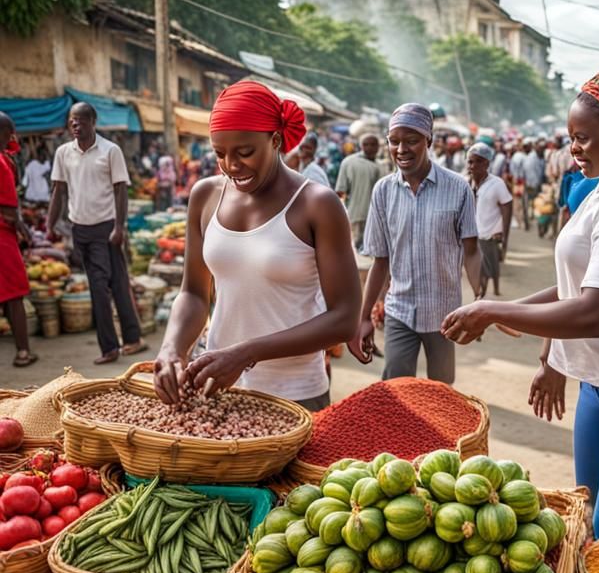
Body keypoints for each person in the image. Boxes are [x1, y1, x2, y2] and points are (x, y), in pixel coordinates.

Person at [441, 63, 599, 540]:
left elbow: (594, 312)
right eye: (570, 137)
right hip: (597, 385)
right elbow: (577, 284)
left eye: (583, 138)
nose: (573, 148)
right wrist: (521, 319)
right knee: (586, 517)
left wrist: (491, 310)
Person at [152, 80, 361, 410]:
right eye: (220, 154)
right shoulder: (206, 196)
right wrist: (172, 348)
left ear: (275, 140)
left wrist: (246, 353)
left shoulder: (317, 204)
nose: (231, 165)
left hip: (295, 393)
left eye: (245, 152)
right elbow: (194, 293)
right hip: (216, 387)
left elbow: (345, 318)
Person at [348, 103, 480, 383]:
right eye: (394, 141)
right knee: (396, 388)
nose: (401, 149)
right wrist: (364, 317)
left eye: (411, 141)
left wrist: (480, 301)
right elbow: (380, 261)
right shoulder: (383, 191)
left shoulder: (458, 188)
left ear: (428, 141)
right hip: (400, 310)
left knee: (440, 390)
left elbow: (471, 250)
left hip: (444, 313)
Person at [47, 101, 147, 365]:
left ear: (93, 121)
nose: (75, 124)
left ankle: (112, 347)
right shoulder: (63, 153)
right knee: (110, 283)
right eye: (72, 120)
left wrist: (119, 227)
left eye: (80, 119)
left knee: (103, 286)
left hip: (106, 227)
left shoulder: (110, 151)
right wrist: (49, 224)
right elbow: (58, 190)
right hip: (80, 229)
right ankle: (131, 339)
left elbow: (121, 190)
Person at [0, 113, 37, 367]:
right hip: (3, 235)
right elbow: (10, 210)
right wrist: (23, 229)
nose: (13, 136)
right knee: (15, 293)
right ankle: (23, 351)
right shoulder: (2, 163)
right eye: (10, 131)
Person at [467, 142, 512, 299]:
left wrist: (504, 236)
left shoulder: (497, 184)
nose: (473, 166)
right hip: (472, 235)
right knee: (478, 269)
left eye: (478, 162)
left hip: (489, 235)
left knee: (488, 268)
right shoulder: (466, 183)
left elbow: (507, 208)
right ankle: (480, 295)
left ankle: (480, 297)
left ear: (487, 164)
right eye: (470, 162)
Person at [335, 132, 382, 251]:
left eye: (373, 144)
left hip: (377, 217)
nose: (370, 148)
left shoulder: (381, 165)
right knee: (360, 250)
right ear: (361, 146)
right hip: (357, 216)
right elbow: (340, 191)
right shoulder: (349, 162)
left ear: (378, 147)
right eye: (366, 144)